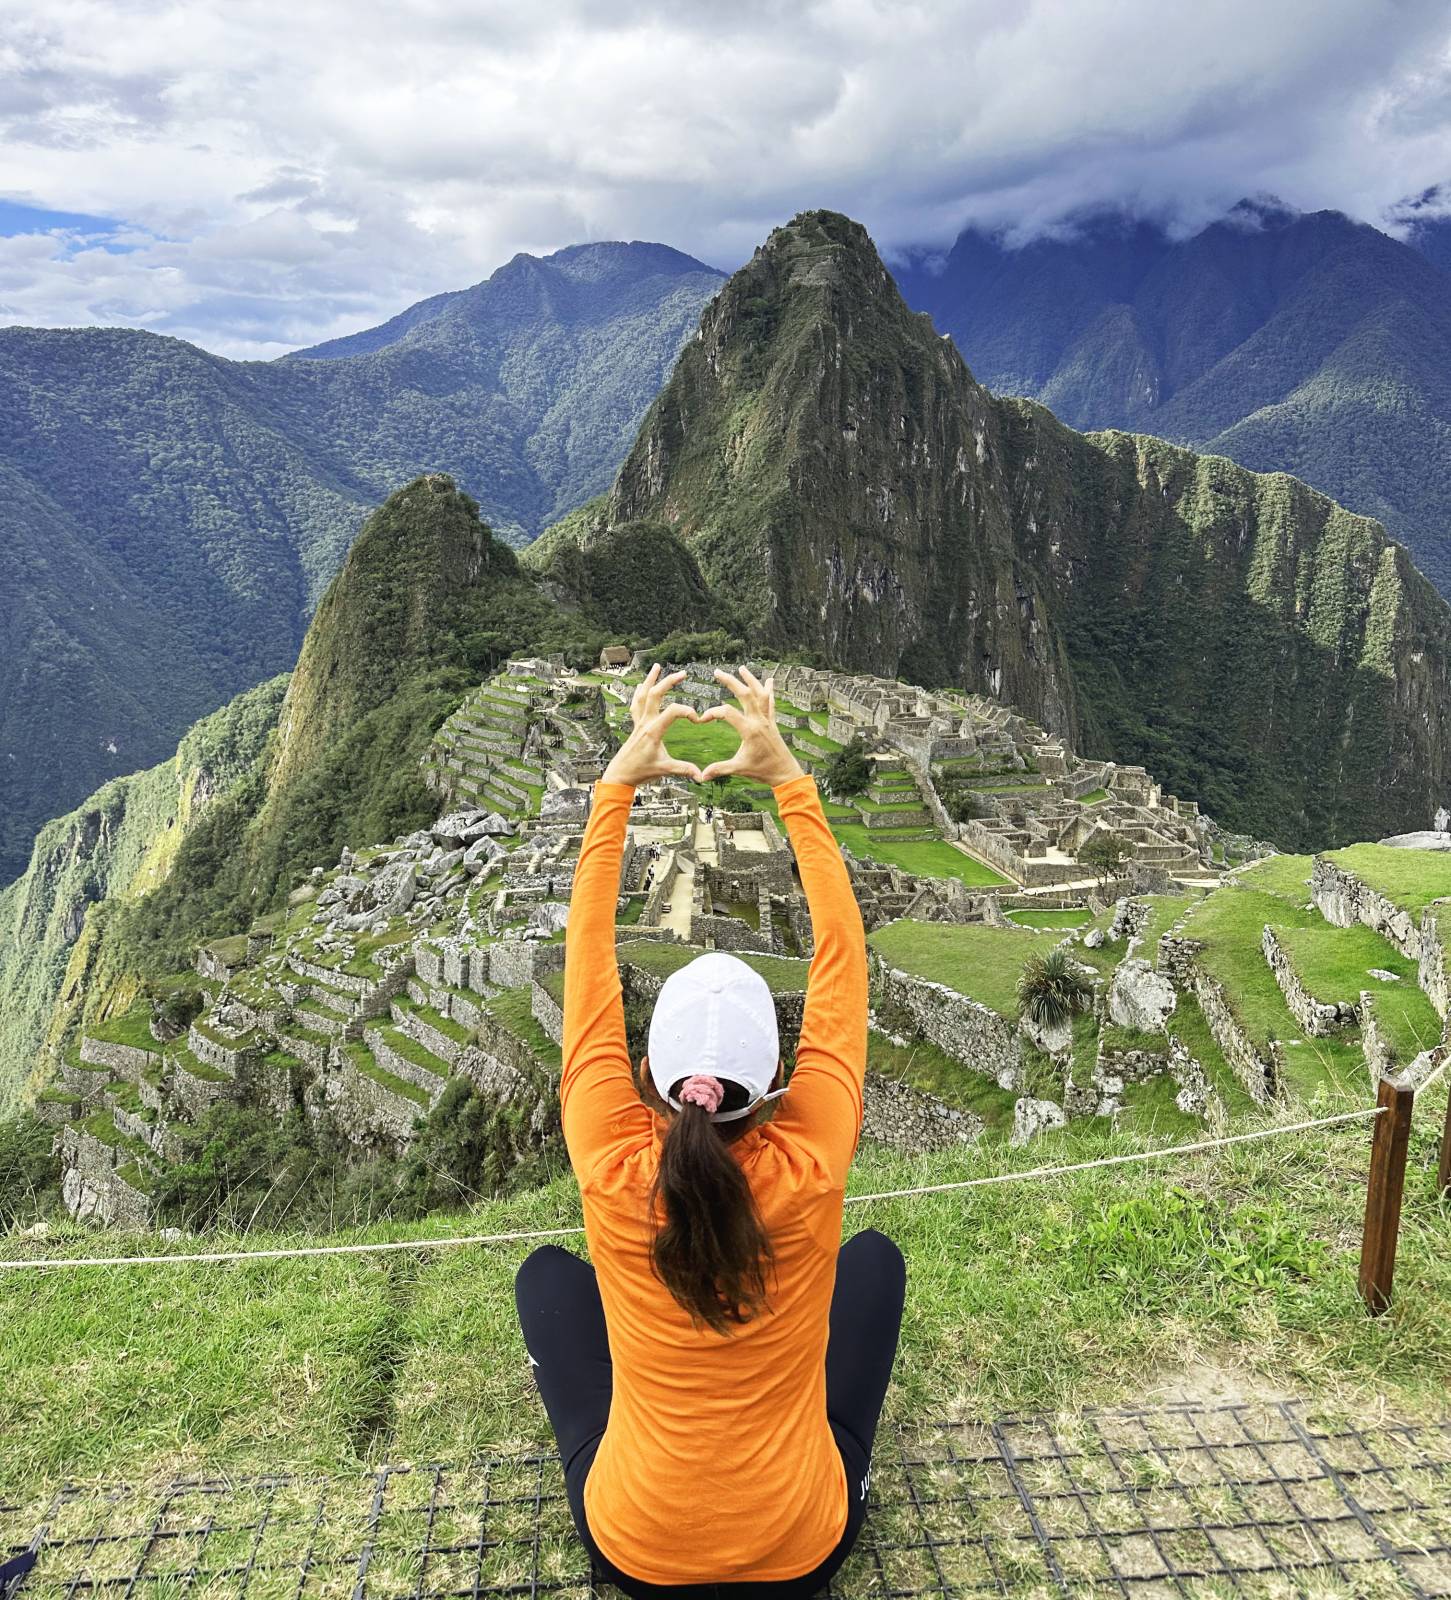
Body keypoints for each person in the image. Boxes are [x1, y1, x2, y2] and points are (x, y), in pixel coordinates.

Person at [515, 664, 905, 1596]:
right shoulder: (810, 1159)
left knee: (547, 1279)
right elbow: (842, 962)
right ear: (778, 1082)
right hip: (801, 1549)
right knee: (875, 1262)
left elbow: (587, 966)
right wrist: (788, 782)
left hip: (638, 1549)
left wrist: (616, 788)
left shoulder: (611, 1160)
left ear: (645, 1076)